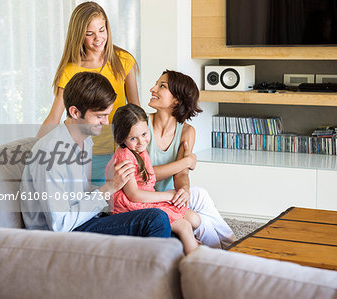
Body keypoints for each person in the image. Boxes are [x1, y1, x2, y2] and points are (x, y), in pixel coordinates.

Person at [20, 72, 171, 238]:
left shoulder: (86, 142)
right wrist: (108, 188)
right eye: (100, 116)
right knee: (156, 219)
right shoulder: (51, 154)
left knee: (170, 220)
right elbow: (60, 224)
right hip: (61, 235)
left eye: (107, 115)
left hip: (84, 220)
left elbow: (80, 194)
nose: (106, 123)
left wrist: (120, 193)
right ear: (75, 112)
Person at [38, 1, 140, 185]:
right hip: (83, 152)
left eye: (102, 30)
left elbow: (136, 111)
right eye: (89, 34)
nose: (98, 38)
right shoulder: (70, 70)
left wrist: (138, 148)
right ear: (78, 36)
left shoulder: (123, 61)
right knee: (92, 206)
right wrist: (34, 150)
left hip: (119, 150)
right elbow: (54, 117)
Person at [147, 70, 236, 249]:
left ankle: (232, 247)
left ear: (177, 100)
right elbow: (143, 175)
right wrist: (185, 162)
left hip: (170, 193)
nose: (152, 89)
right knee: (200, 221)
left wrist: (185, 191)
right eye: (156, 84)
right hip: (146, 196)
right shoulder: (141, 125)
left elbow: (181, 176)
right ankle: (232, 250)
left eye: (161, 86)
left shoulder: (187, 131)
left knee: (199, 195)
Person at [108, 104, 201, 254]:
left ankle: (184, 243)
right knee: (184, 226)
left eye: (144, 134)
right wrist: (169, 195)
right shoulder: (124, 156)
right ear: (122, 137)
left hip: (145, 200)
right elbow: (134, 195)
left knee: (195, 219)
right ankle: (197, 265)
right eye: (133, 138)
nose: (141, 142)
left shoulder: (141, 152)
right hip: (130, 206)